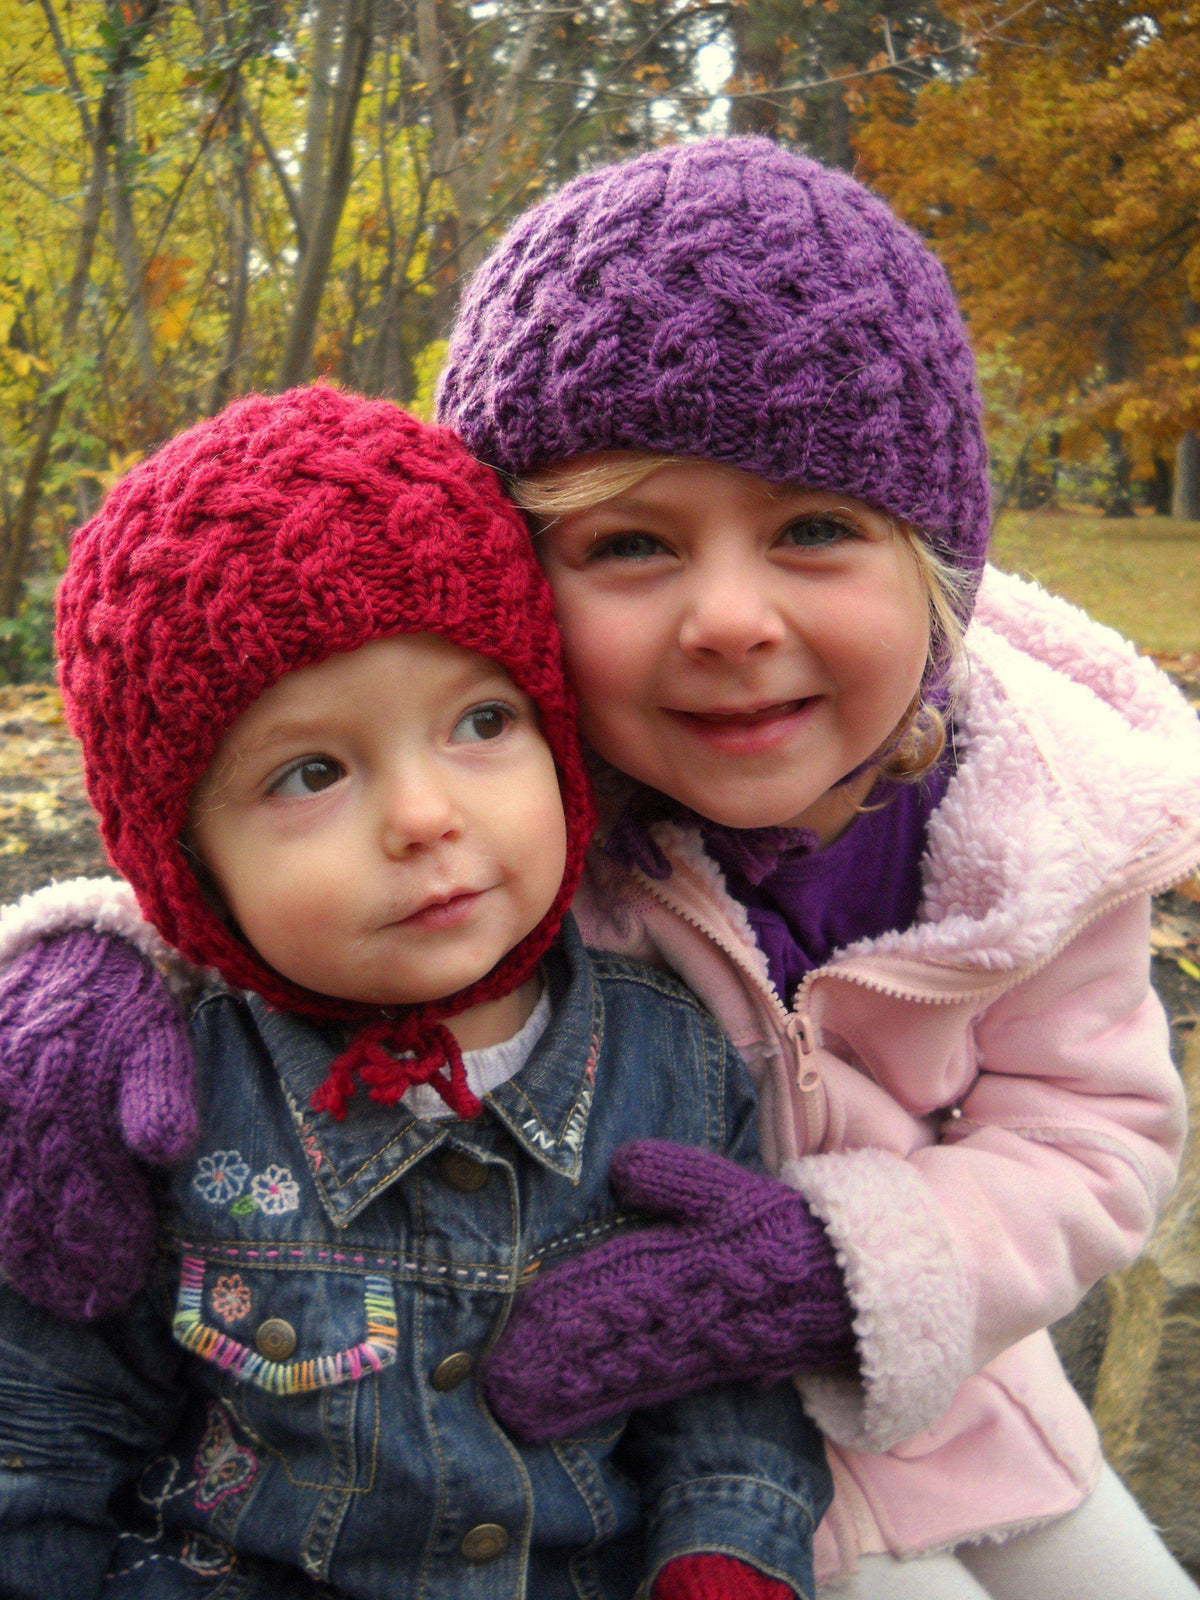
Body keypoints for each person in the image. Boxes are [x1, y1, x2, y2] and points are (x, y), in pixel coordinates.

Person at [2, 137, 1199, 1597]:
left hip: (938, 1392)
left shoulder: (1046, 830)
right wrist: (84, 962)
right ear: (509, 593)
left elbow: (1091, 1140)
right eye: (634, 543)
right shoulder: (516, 812)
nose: (730, 617)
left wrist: (834, 1267)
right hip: (633, 1470)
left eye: (815, 528)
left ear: (936, 565)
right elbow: (247, 853)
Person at [0, 384, 836, 1600]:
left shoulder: (677, 1059)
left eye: (482, 720)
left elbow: (724, 1382)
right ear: (185, 866)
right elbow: (45, 1424)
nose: (425, 815)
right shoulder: (159, 1098)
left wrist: (728, 1544)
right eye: (312, 771)